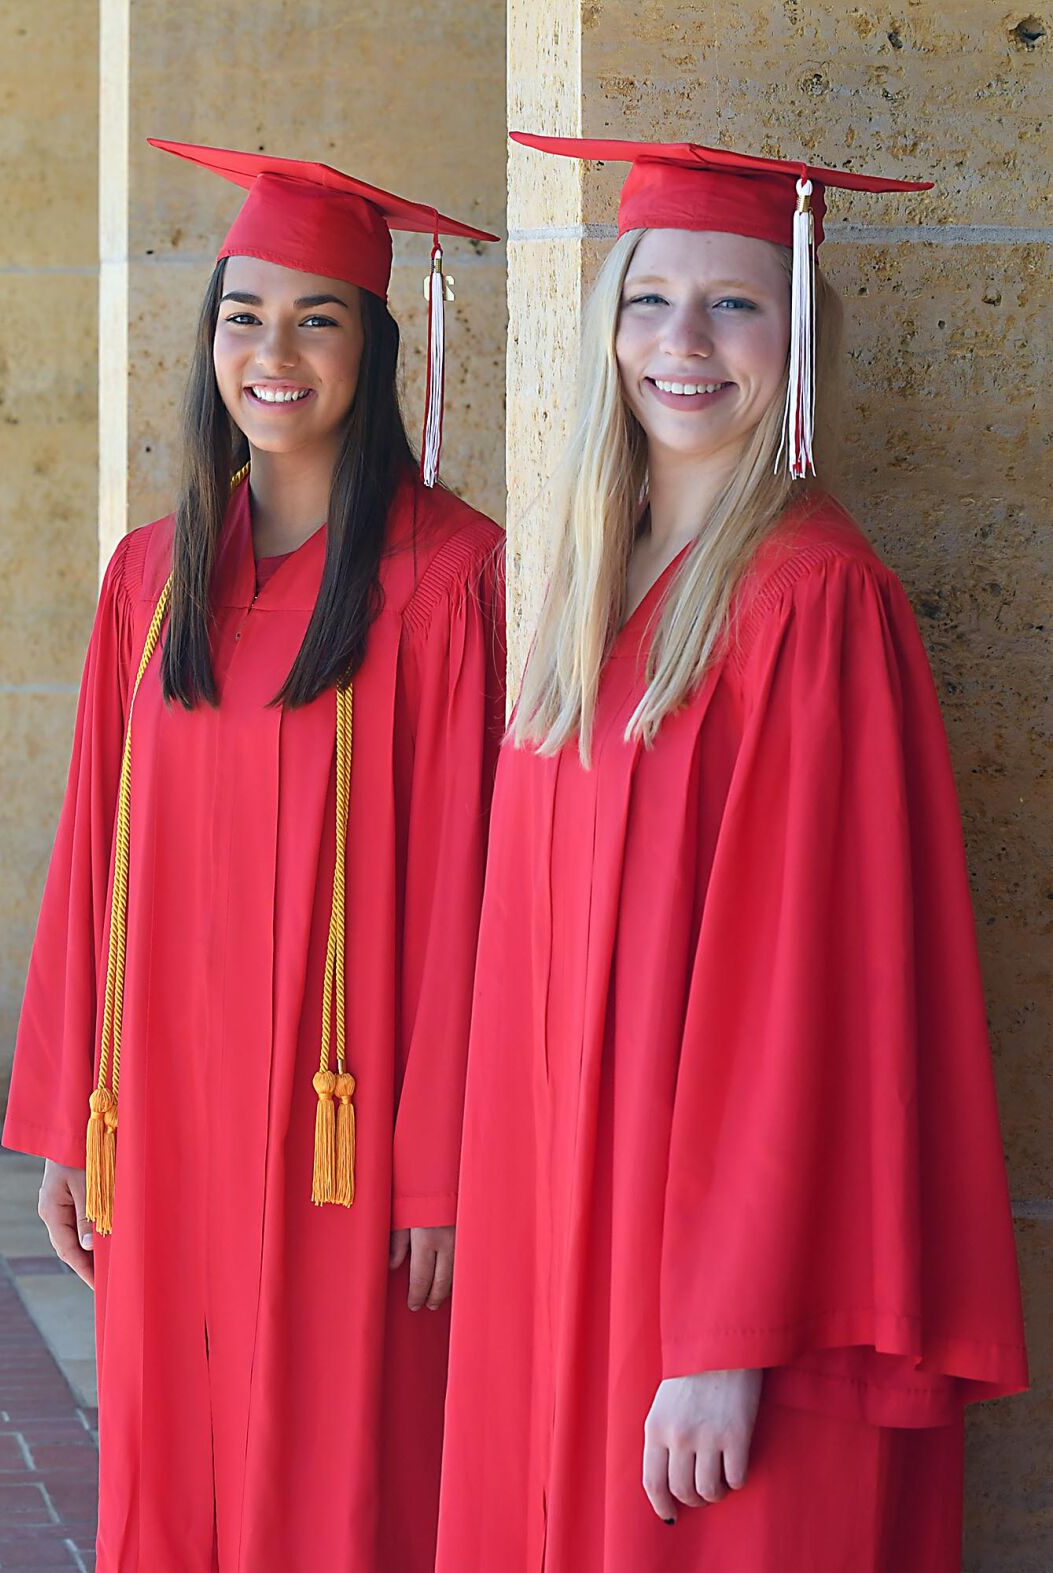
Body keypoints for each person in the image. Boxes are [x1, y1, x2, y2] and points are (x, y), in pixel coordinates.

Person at [436, 137, 1028, 1573]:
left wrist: (725, 1337)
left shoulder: (813, 601)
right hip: (573, 1236)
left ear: (801, 344)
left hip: (716, 1299)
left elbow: (811, 1003)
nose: (682, 342)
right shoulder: (594, 591)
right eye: (649, 300)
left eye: (736, 305)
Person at [4, 141, 505, 1573]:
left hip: (348, 1141)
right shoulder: (148, 578)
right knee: (172, 1458)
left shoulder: (449, 577)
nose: (272, 356)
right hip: (163, 1120)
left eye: (315, 319)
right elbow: (89, 858)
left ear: (376, 346)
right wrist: (74, 1116)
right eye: (243, 318)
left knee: (343, 1469)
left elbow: (473, 897)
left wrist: (441, 1171)